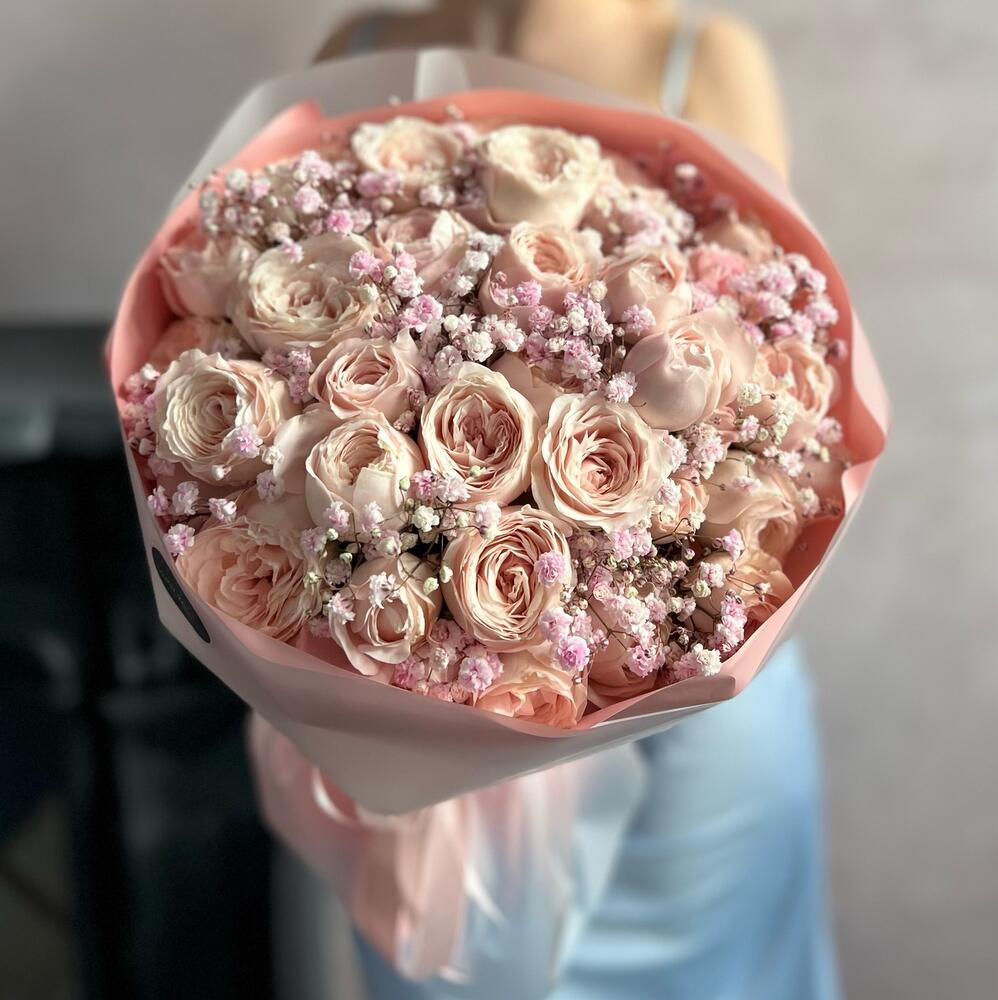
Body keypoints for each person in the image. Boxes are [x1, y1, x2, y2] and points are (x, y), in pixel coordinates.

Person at [285, 3, 839, 997]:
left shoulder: (699, 61)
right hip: (413, 733)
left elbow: (763, 383)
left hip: (682, 725)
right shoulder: (360, 48)